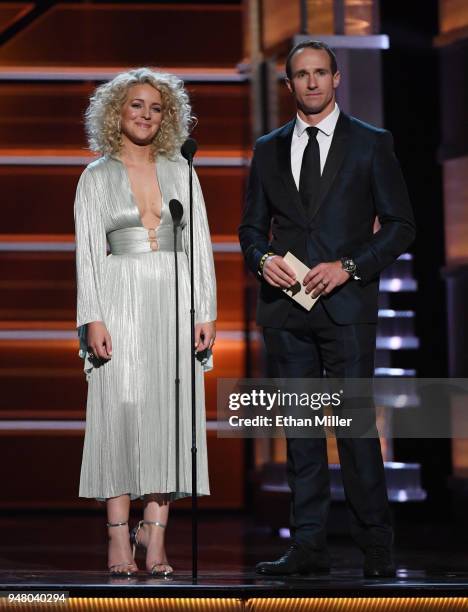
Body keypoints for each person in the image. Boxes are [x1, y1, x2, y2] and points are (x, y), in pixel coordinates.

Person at [239, 40, 415, 577]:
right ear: (288, 84)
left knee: (356, 430)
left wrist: (350, 266)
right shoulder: (268, 148)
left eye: (321, 73)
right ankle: (308, 545)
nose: (312, 83)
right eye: (301, 75)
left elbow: (402, 226)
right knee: (301, 434)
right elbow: (249, 227)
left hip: (347, 307)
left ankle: (375, 547)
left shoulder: (370, 142)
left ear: (336, 79)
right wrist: (262, 257)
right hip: (286, 312)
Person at [74, 68, 216, 577]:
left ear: (168, 116)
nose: (146, 115)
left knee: (168, 414)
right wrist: (92, 316)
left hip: (173, 301)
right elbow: (87, 255)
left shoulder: (183, 170)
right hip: (118, 299)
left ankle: (154, 538)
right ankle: (117, 537)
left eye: (156, 108)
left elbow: (199, 245)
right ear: (117, 111)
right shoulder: (95, 176)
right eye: (136, 105)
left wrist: (206, 311)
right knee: (120, 413)